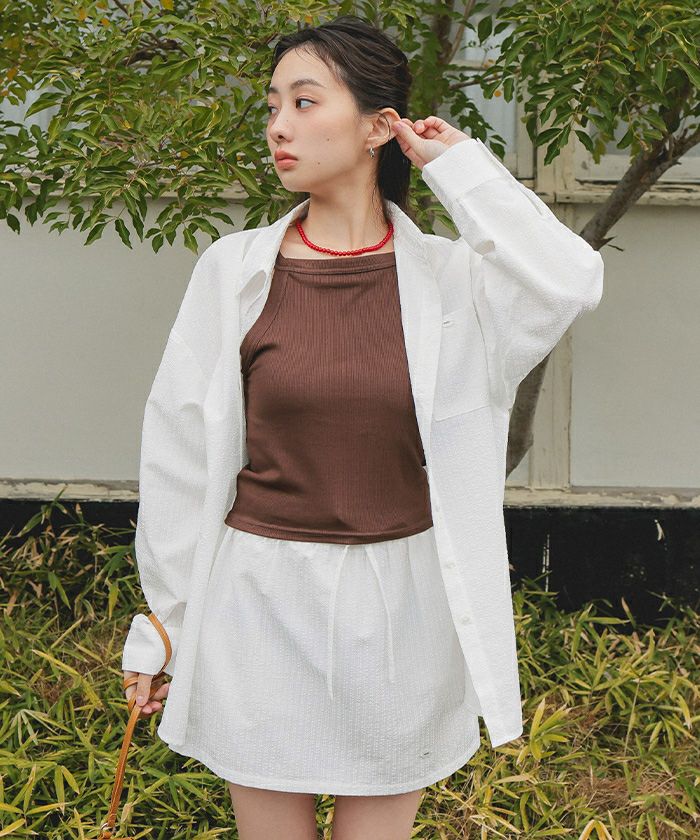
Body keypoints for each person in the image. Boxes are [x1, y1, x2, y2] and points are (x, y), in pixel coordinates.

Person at [121, 13, 604, 840]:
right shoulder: (233, 272)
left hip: (402, 615)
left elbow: (569, 281)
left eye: (305, 102)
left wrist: (461, 168)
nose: (279, 126)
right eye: (273, 105)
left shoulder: (455, 285)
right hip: (257, 604)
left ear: (381, 126)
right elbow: (179, 450)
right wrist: (166, 622)